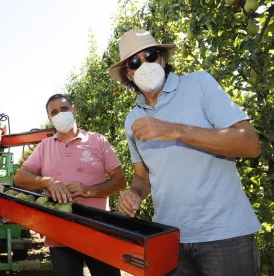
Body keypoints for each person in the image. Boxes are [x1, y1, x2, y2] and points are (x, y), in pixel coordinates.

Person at [108, 28, 261, 275]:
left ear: (163, 58)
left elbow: (250, 143)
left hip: (224, 235)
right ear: (128, 74)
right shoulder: (132, 119)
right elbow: (143, 177)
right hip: (169, 239)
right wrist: (133, 194)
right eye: (135, 62)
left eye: (151, 55)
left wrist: (175, 130)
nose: (145, 64)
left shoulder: (199, 84)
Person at [14, 93, 126, 276]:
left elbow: (120, 181)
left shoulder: (97, 140)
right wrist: (48, 181)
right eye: (54, 112)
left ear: (74, 110)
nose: (60, 114)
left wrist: (88, 191)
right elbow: (20, 178)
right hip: (59, 236)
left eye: (64, 109)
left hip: (97, 232)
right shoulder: (44, 146)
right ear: (50, 118)